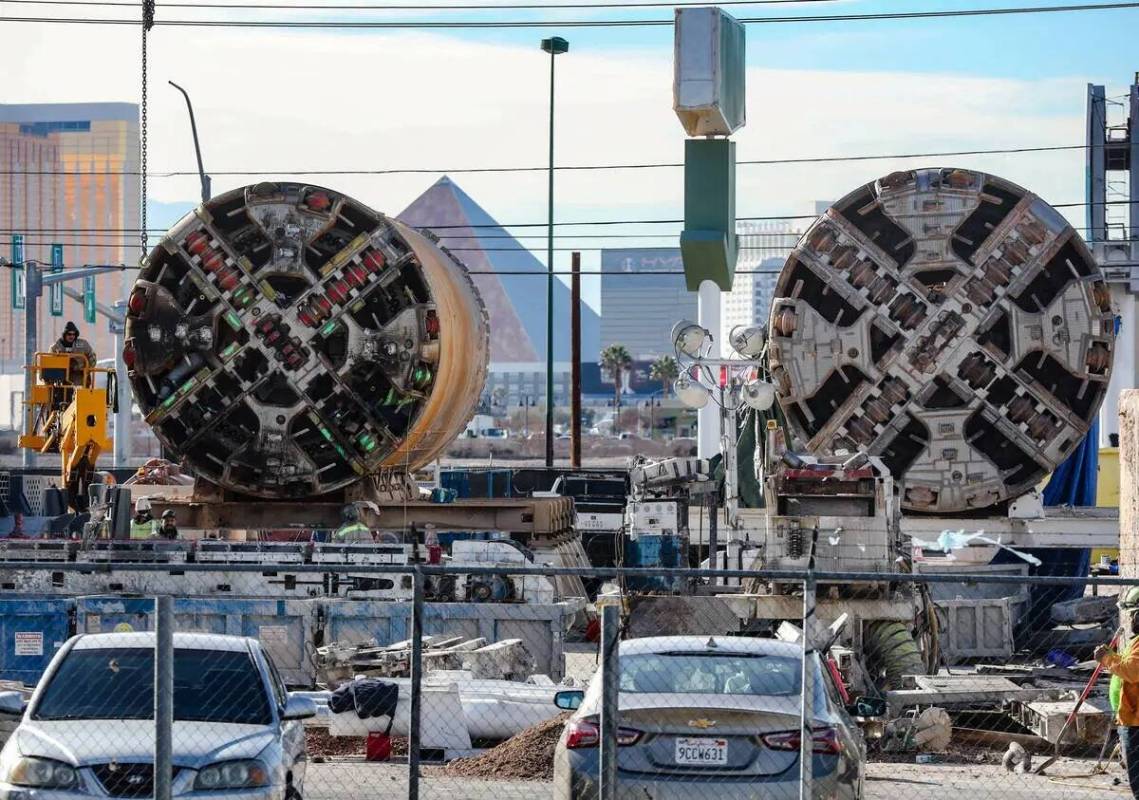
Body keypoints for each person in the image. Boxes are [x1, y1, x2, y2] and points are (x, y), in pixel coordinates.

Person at [1097, 587, 1139, 797]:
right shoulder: (1136, 642)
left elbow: (1132, 671)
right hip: (1131, 717)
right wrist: (1113, 656)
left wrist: (1107, 658)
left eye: (1131, 614)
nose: (1130, 619)